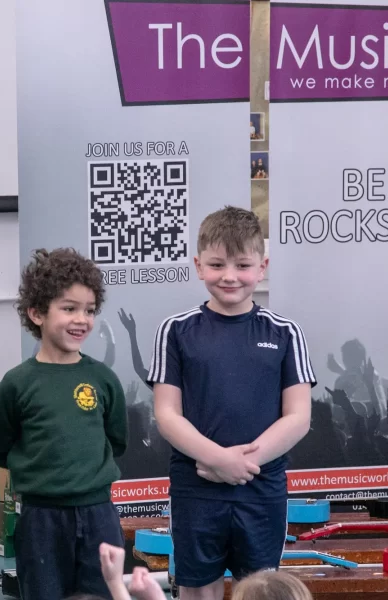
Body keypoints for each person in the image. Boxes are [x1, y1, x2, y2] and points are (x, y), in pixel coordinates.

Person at [148, 206, 315, 600]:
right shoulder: (176, 331)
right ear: (198, 265)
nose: (229, 276)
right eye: (217, 264)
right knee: (197, 588)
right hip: (196, 489)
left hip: (261, 490)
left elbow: (299, 417)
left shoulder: (285, 333)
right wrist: (217, 459)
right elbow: (166, 413)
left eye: (242, 265)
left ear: (262, 266)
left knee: (260, 591)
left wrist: (240, 465)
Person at [0, 248, 128, 600]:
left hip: (99, 515)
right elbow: (1, 447)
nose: (81, 319)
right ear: (36, 313)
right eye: (69, 308)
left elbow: (116, 439)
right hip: (40, 519)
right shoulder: (16, 383)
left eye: (89, 310)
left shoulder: (103, 378)